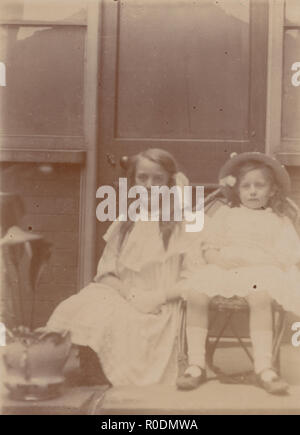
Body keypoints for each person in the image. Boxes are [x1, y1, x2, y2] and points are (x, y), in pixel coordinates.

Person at [47, 148, 195, 386]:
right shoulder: (127, 220)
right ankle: (89, 368)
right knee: (78, 305)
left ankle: (105, 373)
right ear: (133, 181)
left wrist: (154, 297)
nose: (149, 185)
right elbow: (106, 272)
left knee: (116, 318)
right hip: (125, 292)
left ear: (170, 183)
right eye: (142, 178)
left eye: (158, 179)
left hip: (161, 302)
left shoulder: (184, 224)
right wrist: (130, 293)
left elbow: (195, 279)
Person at [177, 152, 300, 394]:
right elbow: (209, 245)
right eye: (246, 186)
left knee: (261, 297)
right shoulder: (227, 215)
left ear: (272, 190)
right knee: (197, 294)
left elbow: (288, 253)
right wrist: (217, 259)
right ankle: (196, 363)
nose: (252, 191)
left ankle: (264, 367)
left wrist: (260, 261)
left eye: (259, 185)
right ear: (237, 190)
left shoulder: (277, 219)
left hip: (261, 272)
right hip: (226, 268)